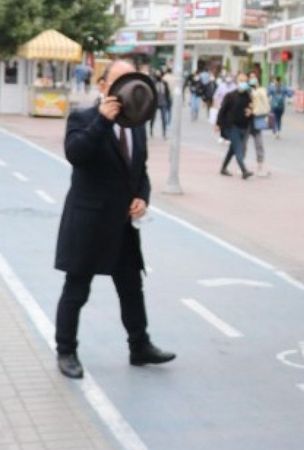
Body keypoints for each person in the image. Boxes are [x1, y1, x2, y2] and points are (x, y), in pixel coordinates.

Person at [54, 60, 176, 380]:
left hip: (122, 226)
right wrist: (103, 123)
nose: (126, 88)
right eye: (119, 80)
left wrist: (142, 197)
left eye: (132, 81)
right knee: (77, 289)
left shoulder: (137, 124)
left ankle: (140, 346)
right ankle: (66, 350)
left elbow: (140, 171)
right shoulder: (84, 117)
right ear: (103, 86)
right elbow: (76, 154)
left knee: (131, 287)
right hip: (89, 222)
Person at [216, 73, 254, 180]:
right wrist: (218, 124)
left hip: (244, 126)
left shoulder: (248, 96)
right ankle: (244, 170)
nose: (243, 83)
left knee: (232, 149)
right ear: (237, 82)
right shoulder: (230, 96)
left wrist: (250, 112)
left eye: (245, 81)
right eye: (240, 81)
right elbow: (222, 110)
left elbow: (251, 110)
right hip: (231, 126)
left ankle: (223, 168)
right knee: (238, 149)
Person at [248, 74, 271, 177]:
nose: (253, 79)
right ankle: (242, 166)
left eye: (254, 78)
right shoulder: (246, 91)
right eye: (251, 77)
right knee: (242, 144)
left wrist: (257, 92)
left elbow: (266, 105)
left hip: (257, 119)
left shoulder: (261, 91)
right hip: (247, 121)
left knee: (259, 144)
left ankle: (260, 167)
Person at [150, 70, 172, 139]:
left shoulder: (165, 83)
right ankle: (151, 130)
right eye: (157, 74)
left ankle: (164, 133)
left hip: (163, 103)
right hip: (155, 103)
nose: (158, 76)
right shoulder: (153, 83)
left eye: (159, 74)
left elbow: (167, 93)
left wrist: (169, 102)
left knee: (164, 119)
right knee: (153, 118)